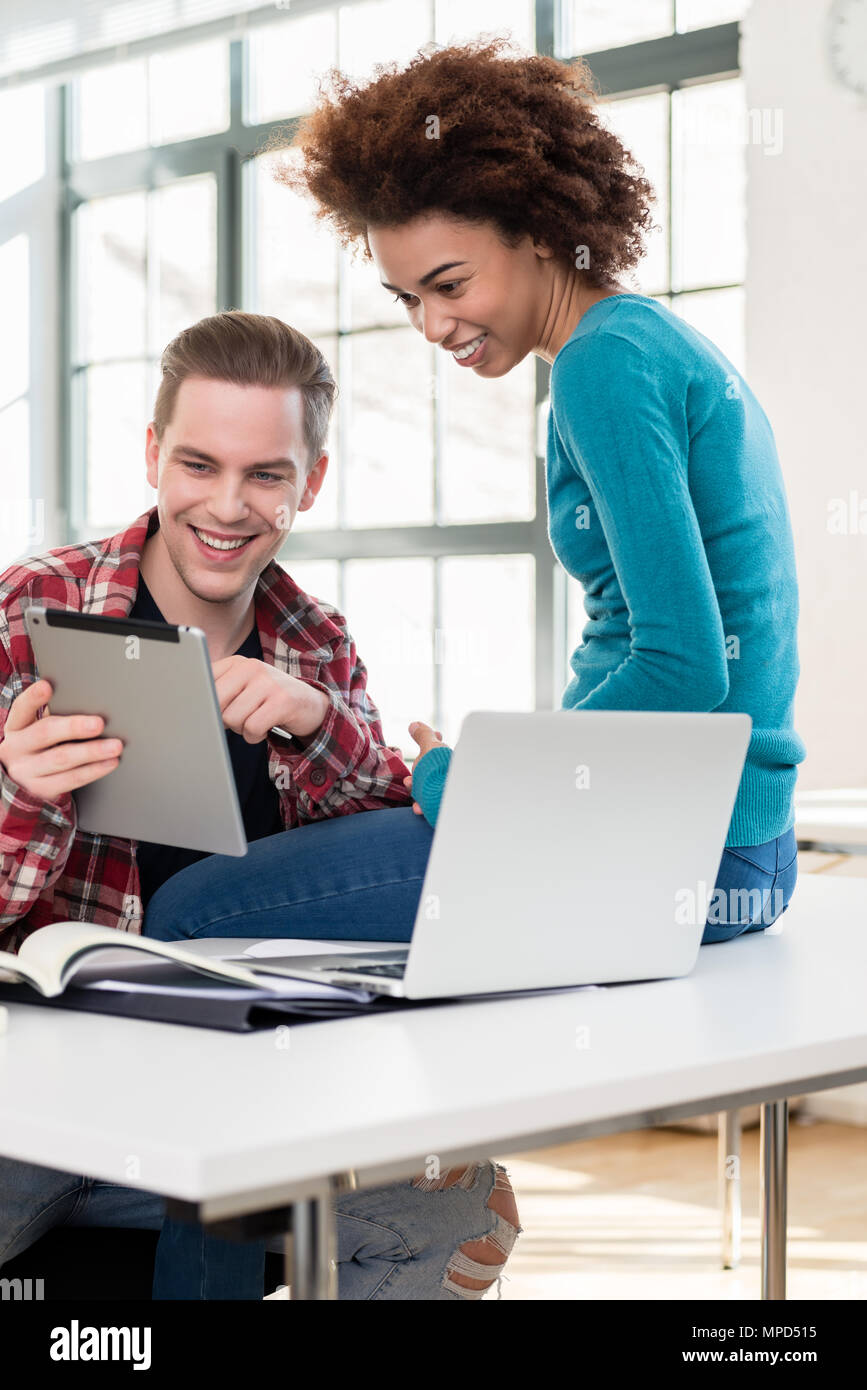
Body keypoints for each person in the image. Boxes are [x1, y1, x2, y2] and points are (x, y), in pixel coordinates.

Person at [0, 310, 520, 1300]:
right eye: (199, 464)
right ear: (154, 455)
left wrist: (317, 717)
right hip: (34, 1097)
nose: (227, 505)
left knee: (465, 1205)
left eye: (266, 475)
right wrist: (20, 793)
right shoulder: (29, 611)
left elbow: (374, 863)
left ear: (309, 484)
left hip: (222, 1100)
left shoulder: (314, 641)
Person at [269, 36, 804, 943]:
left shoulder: (603, 368)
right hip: (722, 837)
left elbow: (685, 665)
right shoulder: (642, 343)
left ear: (546, 232)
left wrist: (478, 779)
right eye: (406, 298)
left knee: (196, 905)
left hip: (683, 845)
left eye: (450, 283)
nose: (433, 325)